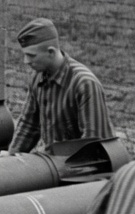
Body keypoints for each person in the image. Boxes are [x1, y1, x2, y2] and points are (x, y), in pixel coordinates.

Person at [7, 17, 113, 155]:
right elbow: (28, 126)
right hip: (56, 164)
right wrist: (10, 160)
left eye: (31, 56)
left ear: (51, 52)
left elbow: (93, 145)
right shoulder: (38, 77)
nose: (26, 61)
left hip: (90, 167)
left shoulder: (84, 84)